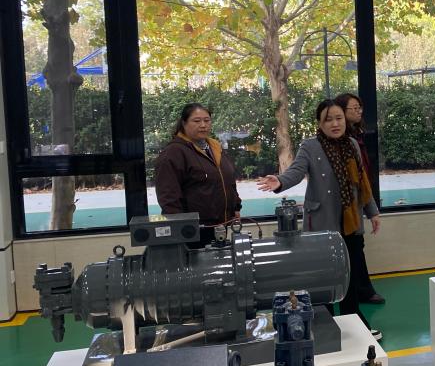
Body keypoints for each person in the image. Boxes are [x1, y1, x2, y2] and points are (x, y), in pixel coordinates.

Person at [256, 100, 383, 340]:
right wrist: (280, 181)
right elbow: (296, 171)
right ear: (319, 123)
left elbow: (362, 183)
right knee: (324, 277)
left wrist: (372, 212)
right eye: (328, 119)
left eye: (339, 118)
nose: (335, 124)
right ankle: (324, 325)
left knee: (351, 275)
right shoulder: (311, 146)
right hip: (323, 223)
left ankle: (355, 323)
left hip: (351, 222)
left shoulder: (352, 145)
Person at [154, 103, 242, 247]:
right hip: (193, 231)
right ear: (184, 123)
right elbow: (168, 197)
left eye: (207, 120)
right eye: (196, 121)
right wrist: (181, 228)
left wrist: (236, 207)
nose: (203, 125)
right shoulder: (173, 153)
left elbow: (228, 180)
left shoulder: (215, 148)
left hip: (221, 225)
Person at [337, 92, 384, 305]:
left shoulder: (357, 136)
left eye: (359, 108)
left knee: (357, 247)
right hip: (345, 204)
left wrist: (370, 208)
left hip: (359, 197)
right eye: (353, 108)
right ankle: (359, 291)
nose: (358, 112)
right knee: (352, 250)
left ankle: (362, 291)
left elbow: (362, 174)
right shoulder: (343, 140)